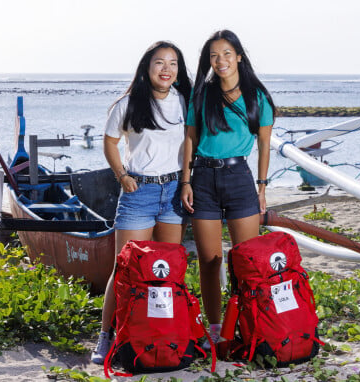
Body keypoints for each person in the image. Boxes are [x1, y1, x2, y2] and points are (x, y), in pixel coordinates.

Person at [91, 41, 192, 365]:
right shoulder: (129, 103)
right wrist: (122, 175)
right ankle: (106, 336)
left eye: (173, 63)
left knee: (166, 273)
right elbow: (110, 142)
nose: (167, 69)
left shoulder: (184, 102)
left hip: (174, 193)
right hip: (139, 194)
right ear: (147, 68)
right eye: (160, 63)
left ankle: (162, 336)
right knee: (125, 269)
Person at [180, 30, 275, 347]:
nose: (220, 61)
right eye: (213, 56)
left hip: (240, 179)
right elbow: (190, 139)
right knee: (210, 261)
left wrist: (261, 188)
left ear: (239, 57)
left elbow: (264, 146)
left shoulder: (257, 97)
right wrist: (186, 181)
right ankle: (215, 329)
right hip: (203, 180)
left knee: (246, 261)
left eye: (226, 54)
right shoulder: (202, 95)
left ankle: (249, 324)